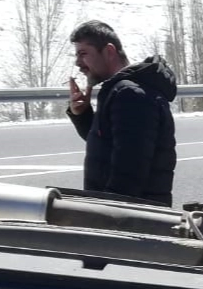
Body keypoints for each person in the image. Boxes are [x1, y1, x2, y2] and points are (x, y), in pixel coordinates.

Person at [66, 21, 178, 206]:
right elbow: (110, 145)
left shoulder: (131, 95)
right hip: (129, 214)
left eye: (83, 54)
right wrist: (83, 115)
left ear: (109, 51)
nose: (78, 63)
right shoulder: (121, 91)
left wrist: (104, 213)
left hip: (135, 217)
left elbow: (129, 173)